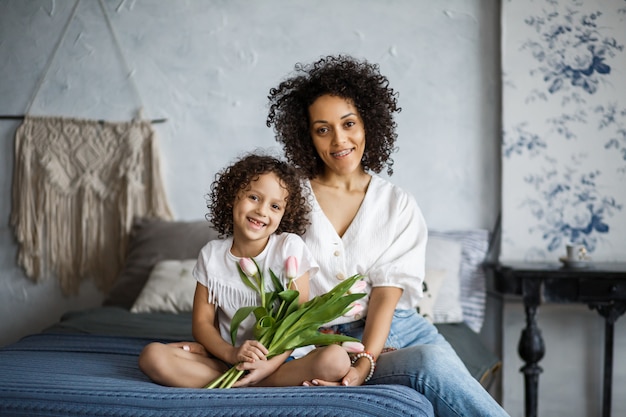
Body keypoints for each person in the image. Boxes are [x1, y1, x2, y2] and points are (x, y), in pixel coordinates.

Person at [266, 55, 510, 417]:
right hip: (319, 341)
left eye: (349, 123)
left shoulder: (398, 204)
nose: (339, 140)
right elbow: (267, 280)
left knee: (434, 358)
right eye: (323, 129)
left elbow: (385, 295)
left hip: (398, 329)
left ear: (368, 123)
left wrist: (367, 358)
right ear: (306, 135)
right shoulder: (287, 198)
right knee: (431, 362)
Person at [138, 153, 352, 388]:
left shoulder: (289, 247)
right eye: (253, 197)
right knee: (153, 356)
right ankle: (252, 383)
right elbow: (202, 323)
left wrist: (268, 365)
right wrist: (230, 353)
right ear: (232, 197)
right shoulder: (211, 255)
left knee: (336, 360)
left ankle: (248, 383)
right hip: (231, 360)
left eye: (275, 206)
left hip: (285, 360)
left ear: (285, 214)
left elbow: (298, 322)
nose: (262, 211)